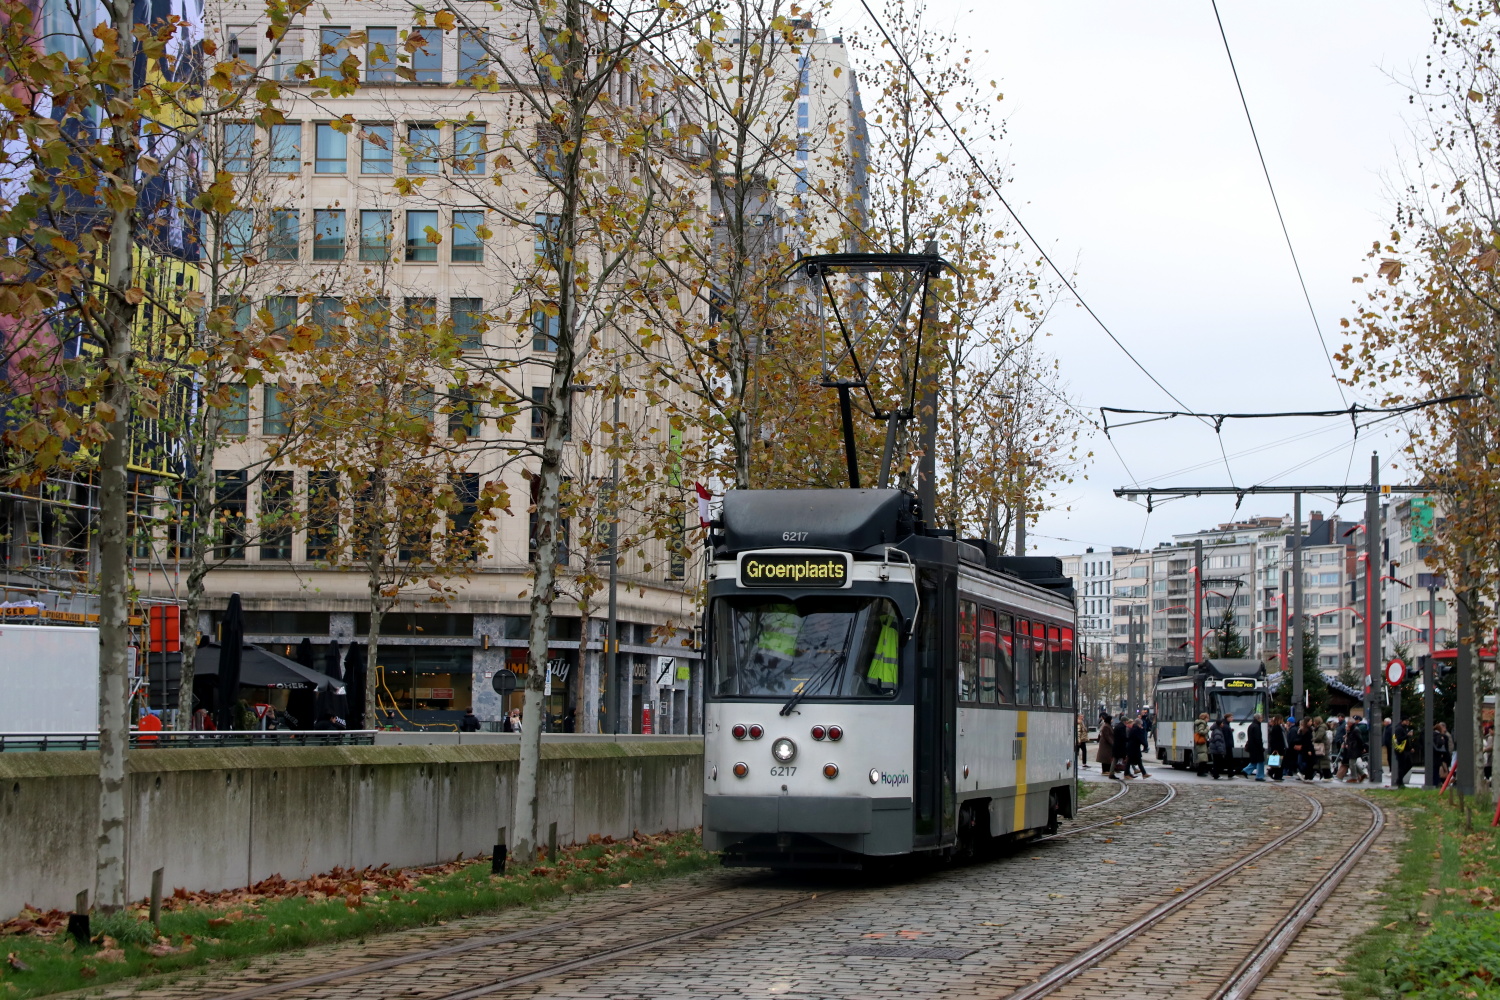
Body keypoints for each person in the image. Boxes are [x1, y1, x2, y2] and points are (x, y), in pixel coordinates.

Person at [1242, 712, 1266, 781]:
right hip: (1257, 747)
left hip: (1252, 746)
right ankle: (1259, 776)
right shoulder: (1257, 726)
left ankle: (1246, 770)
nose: (1262, 719)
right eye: (1261, 718)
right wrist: (1261, 747)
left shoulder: (1251, 725)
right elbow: (1258, 738)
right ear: (1258, 718)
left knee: (1254, 761)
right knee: (1260, 761)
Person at [1343, 714, 1368, 783]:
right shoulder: (1352, 729)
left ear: (1351, 723)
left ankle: (1354, 777)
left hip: (1355, 748)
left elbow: (1360, 740)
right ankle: (1362, 774)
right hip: (1352, 748)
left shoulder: (1355, 730)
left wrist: (1362, 748)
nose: (1347, 724)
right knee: (1353, 763)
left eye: (1348, 723)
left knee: (1352, 763)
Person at [1392, 719, 1414, 788]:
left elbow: (1407, 741)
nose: (1408, 722)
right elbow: (1399, 739)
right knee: (1401, 766)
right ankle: (1399, 782)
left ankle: (1399, 780)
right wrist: (1407, 735)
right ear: (1402, 721)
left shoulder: (1404, 728)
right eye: (1406, 721)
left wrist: (1410, 748)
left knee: (1409, 764)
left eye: (1408, 721)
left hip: (1405, 750)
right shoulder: (1399, 728)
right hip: (1400, 751)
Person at [1267, 713, 1287, 781]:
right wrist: (1276, 748)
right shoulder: (1276, 728)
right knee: (1278, 763)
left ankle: (1275, 773)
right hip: (1278, 747)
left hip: (1279, 747)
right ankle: (1277, 775)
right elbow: (1275, 739)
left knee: (1278, 762)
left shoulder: (1278, 727)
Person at [1193, 711, 1211, 777]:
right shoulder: (1202, 724)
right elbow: (1201, 732)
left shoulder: (1200, 723)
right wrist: (1207, 729)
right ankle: (1201, 772)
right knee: (1202, 758)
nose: (1208, 719)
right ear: (1205, 718)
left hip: (1201, 742)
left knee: (1202, 757)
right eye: (1207, 718)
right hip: (1201, 742)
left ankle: (1201, 771)